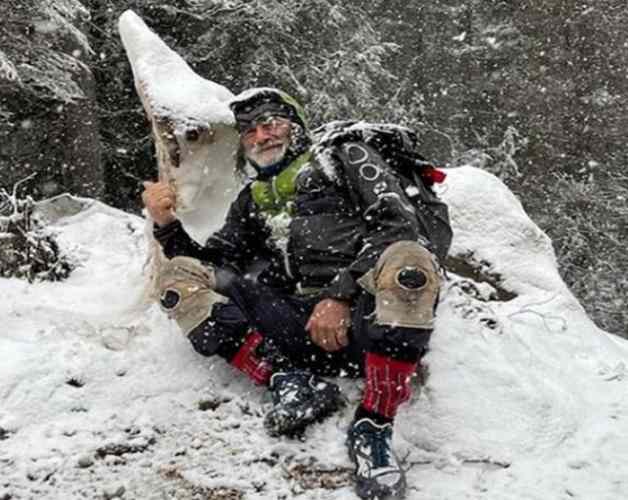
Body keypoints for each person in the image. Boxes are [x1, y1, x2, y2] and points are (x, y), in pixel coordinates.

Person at [142, 88, 452, 500]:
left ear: (297, 125)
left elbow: (400, 227)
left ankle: (373, 426)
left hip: (366, 321)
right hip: (294, 326)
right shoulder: (253, 198)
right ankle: (286, 378)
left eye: (271, 122)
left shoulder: (345, 157)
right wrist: (165, 223)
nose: (261, 135)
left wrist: (339, 297)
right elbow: (216, 265)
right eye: (250, 131)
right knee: (179, 279)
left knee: (409, 263)